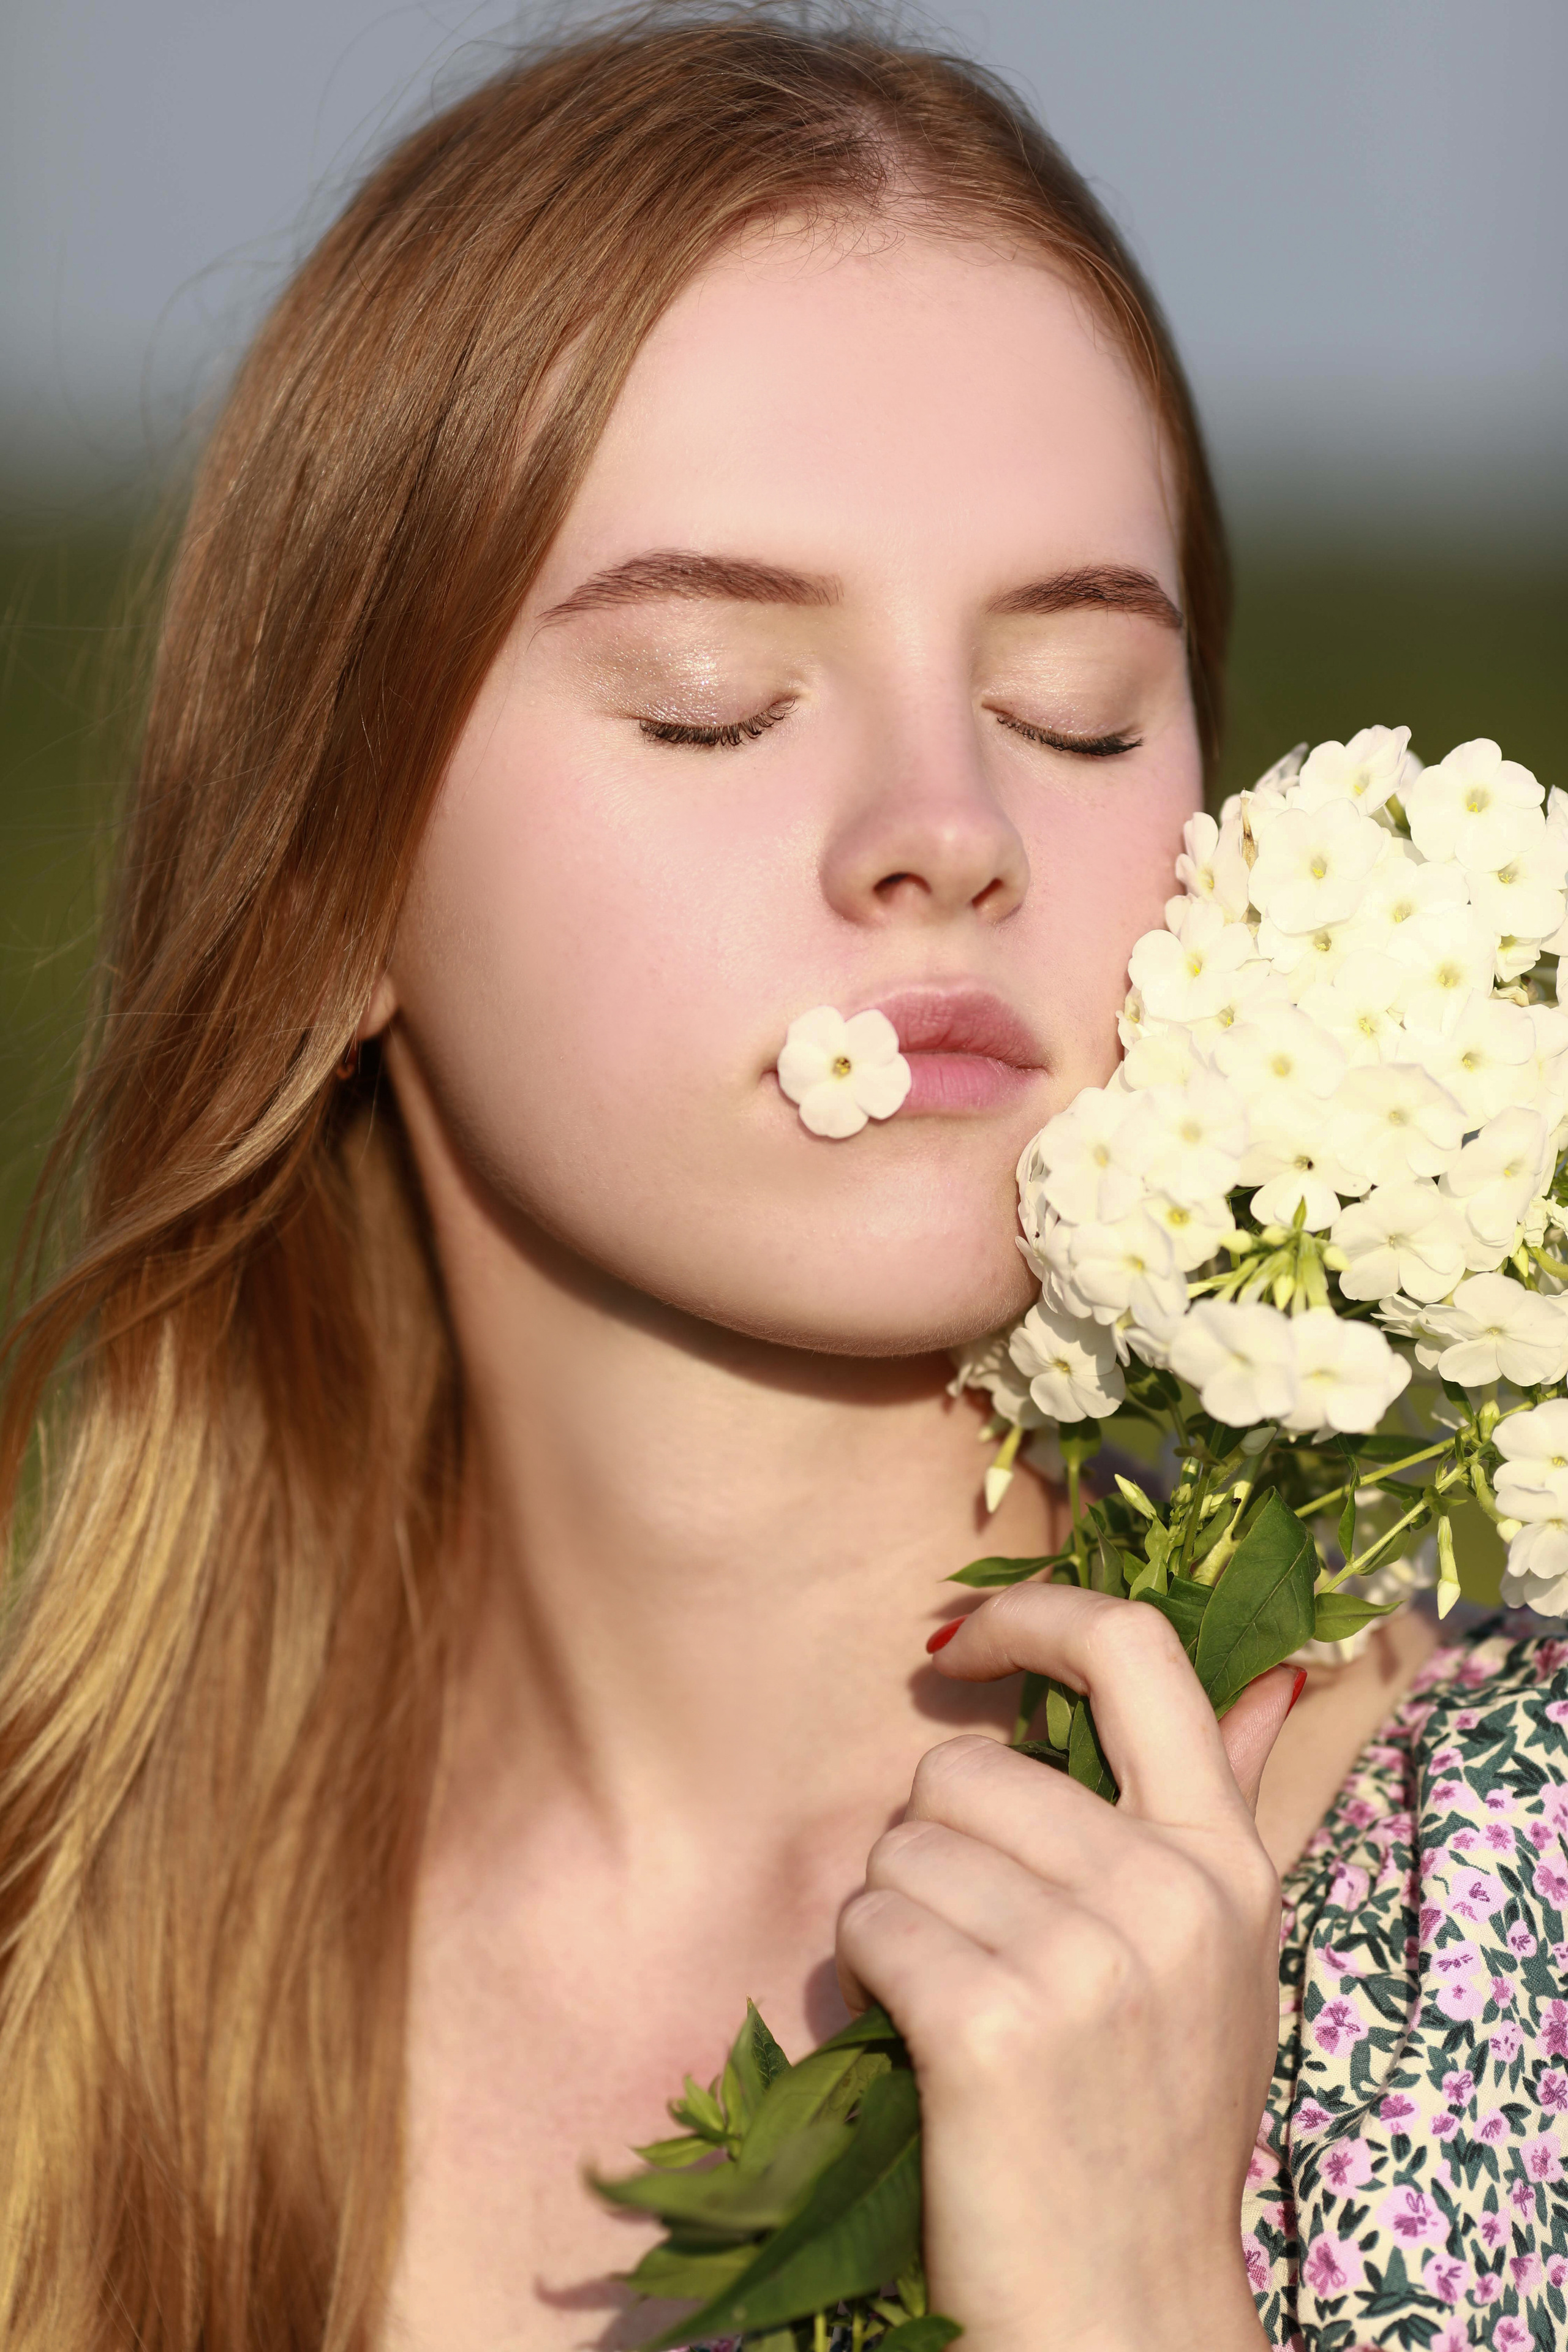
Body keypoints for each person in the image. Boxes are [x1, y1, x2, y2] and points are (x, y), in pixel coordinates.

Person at [2, 12, 1564, 2351]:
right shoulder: (62, 1961)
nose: (951, 825)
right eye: (717, 697)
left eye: (1078, 712)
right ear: (327, 883)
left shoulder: (1498, 1880)